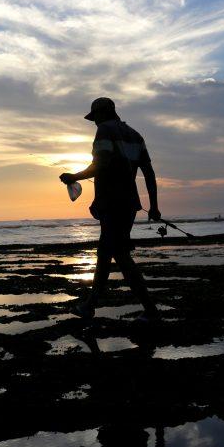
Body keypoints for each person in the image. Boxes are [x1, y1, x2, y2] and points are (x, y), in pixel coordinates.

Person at [60, 96, 160, 321]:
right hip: (129, 204)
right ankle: (90, 305)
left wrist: (73, 177)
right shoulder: (135, 135)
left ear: (102, 113)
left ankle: (151, 311)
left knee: (120, 255)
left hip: (112, 203)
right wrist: (154, 206)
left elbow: (101, 163)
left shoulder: (104, 130)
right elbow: (149, 173)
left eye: (95, 117)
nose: (94, 122)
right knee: (106, 254)